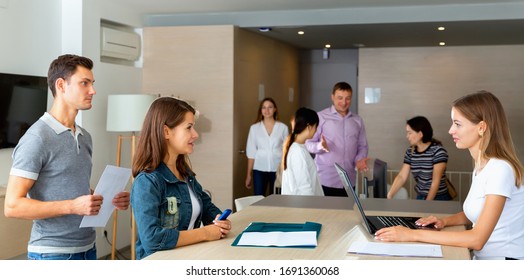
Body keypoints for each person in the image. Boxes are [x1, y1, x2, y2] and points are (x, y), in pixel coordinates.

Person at [3, 54, 130, 260]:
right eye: (84, 83)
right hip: (53, 254)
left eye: (92, 83)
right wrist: (73, 206)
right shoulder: (37, 138)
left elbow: (71, 188)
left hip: (88, 247)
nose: (93, 91)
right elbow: (12, 206)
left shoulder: (84, 136)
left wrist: (106, 198)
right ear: (61, 85)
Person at [375, 91, 524, 260]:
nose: (450, 130)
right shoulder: (481, 166)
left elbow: (477, 239)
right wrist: (443, 221)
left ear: (482, 127)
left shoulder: (500, 169)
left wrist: (412, 234)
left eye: (457, 124)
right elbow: (475, 213)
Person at [130, 97, 231, 260]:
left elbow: (206, 207)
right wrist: (205, 233)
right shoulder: (147, 182)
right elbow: (152, 240)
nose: (195, 135)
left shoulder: (185, 174)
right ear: (166, 132)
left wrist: (220, 221)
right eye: (189, 128)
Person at [305, 82, 369, 197]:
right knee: (325, 214)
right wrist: (320, 146)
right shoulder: (320, 117)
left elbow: (362, 146)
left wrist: (359, 160)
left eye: (347, 98)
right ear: (332, 97)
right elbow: (308, 143)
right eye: (340, 98)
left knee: (347, 214)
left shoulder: (357, 120)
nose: (344, 102)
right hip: (326, 179)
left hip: (349, 180)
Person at [387, 116, 452, 200]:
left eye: (410, 133)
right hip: (421, 196)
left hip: (439, 198)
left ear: (420, 134)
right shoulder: (410, 151)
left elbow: (435, 181)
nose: (407, 136)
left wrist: (427, 204)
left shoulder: (438, 151)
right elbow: (402, 176)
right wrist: (390, 195)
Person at [245, 97, 289, 196]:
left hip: (277, 169)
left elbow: (286, 152)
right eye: (264, 107)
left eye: (270, 107)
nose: (267, 110)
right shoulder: (254, 128)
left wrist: (286, 170)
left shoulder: (283, 128)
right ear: (261, 110)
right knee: (258, 198)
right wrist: (248, 175)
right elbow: (251, 153)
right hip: (259, 168)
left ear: (275, 109)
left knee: (276, 199)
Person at [281, 108, 323, 196]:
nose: (316, 131)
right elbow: (304, 187)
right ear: (309, 127)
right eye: (316, 127)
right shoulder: (297, 151)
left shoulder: (300, 147)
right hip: (303, 206)